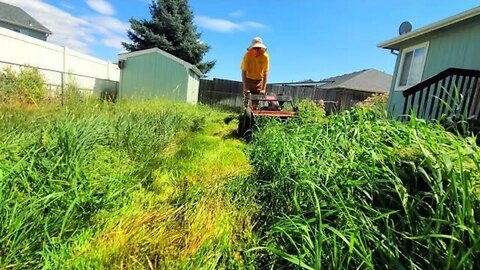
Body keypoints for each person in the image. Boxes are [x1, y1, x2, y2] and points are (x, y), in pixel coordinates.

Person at [241, 37, 270, 109]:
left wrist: (263, 88)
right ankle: (245, 112)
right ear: (252, 48)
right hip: (248, 79)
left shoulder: (265, 56)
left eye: (258, 48)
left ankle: (253, 114)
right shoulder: (247, 55)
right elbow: (244, 71)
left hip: (259, 80)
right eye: (255, 48)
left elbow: (265, 72)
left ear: (261, 48)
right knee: (247, 99)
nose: (256, 50)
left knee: (255, 103)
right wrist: (245, 87)